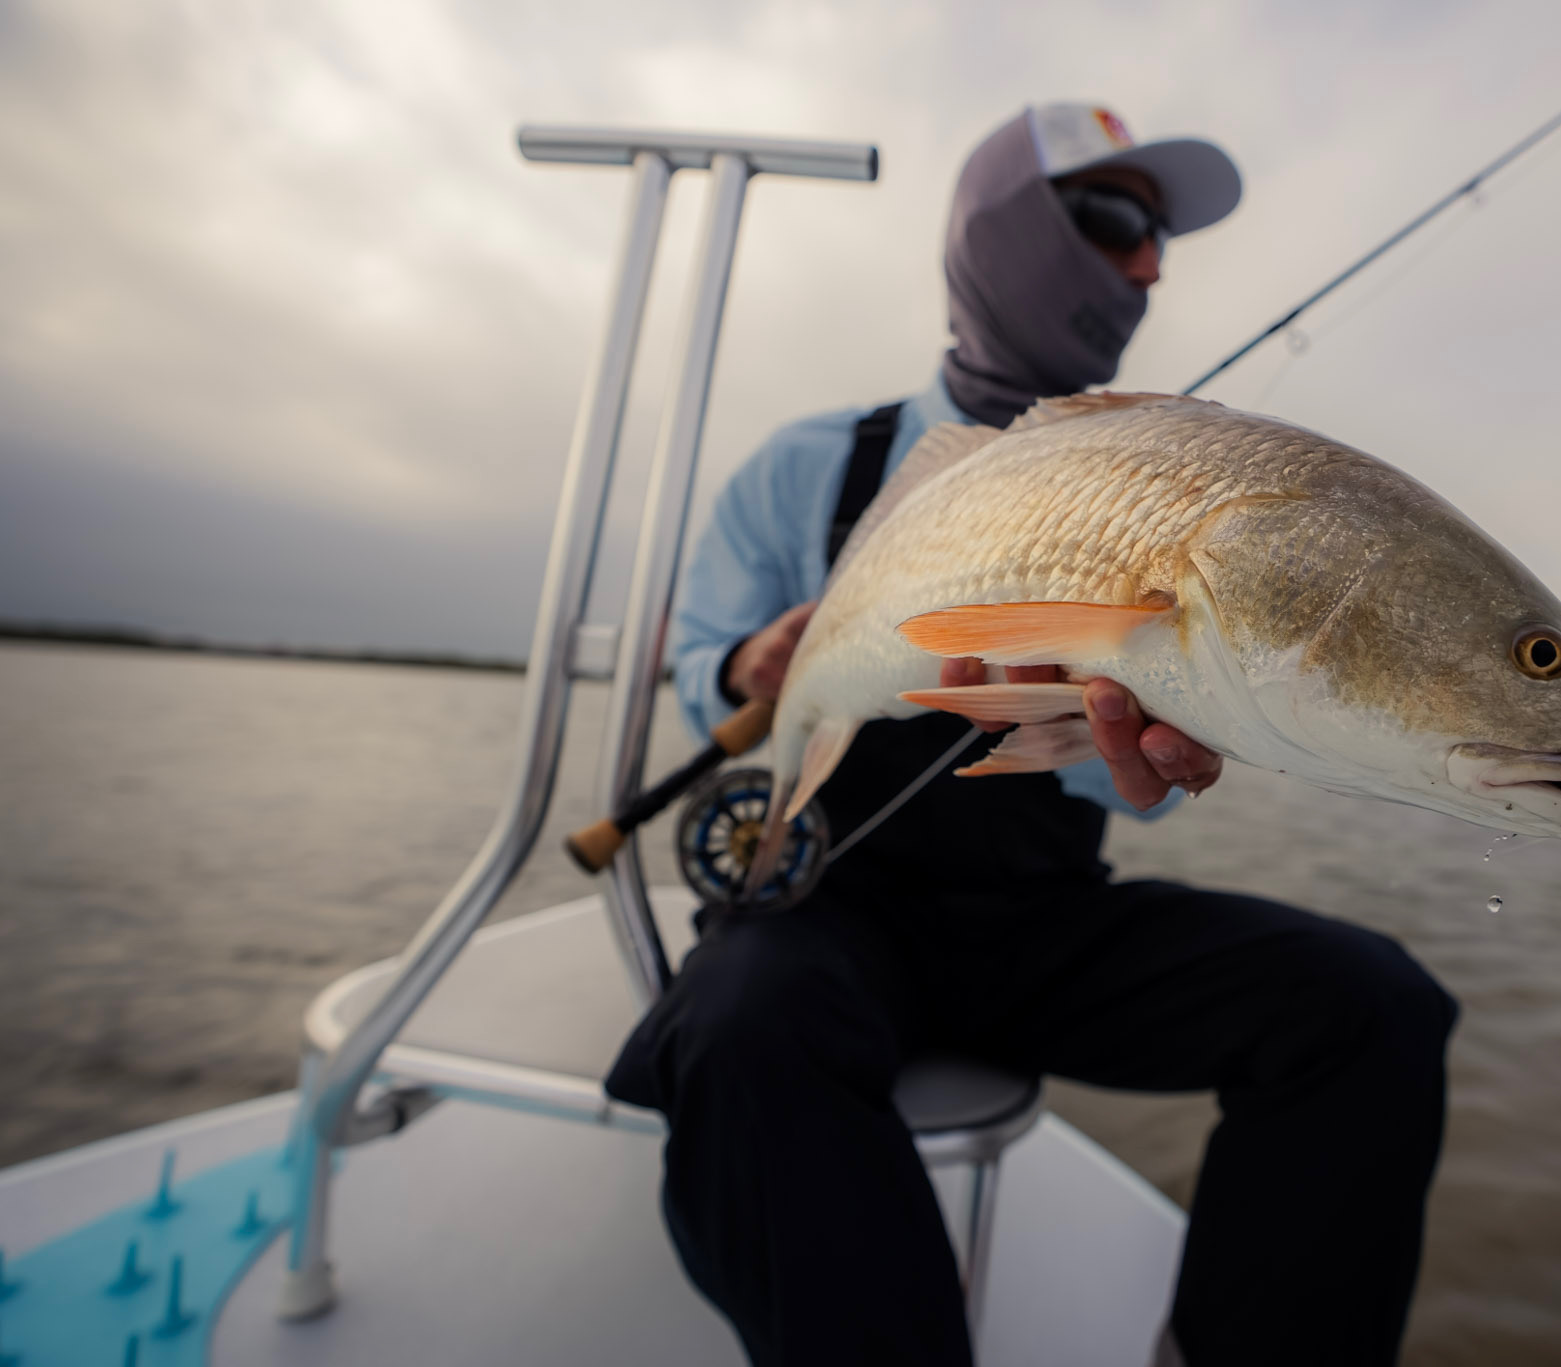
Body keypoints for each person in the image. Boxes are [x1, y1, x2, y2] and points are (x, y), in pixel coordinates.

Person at [605, 103, 1458, 1367]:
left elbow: (1135, 788)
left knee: (1371, 1004)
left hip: (1036, 923)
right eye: (1112, 220)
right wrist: (745, 666)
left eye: (1157, 240)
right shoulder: (812, 464)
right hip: (831, 909)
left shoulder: (1164, 480)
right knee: (736, 1025)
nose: (1147, 267)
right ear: (992, 234)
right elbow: (698, 655)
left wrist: (1143, 745)